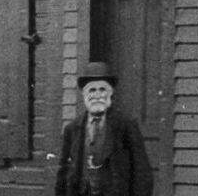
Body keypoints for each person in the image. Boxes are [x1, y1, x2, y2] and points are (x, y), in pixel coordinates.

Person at [54, 62, 152, 196]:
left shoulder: (126, 125)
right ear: (84, 95)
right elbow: (63, 172)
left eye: (102, 89)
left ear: (110, 94)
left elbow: (142, 172)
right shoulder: (72, 129)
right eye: (92, 90)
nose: (97, 95)